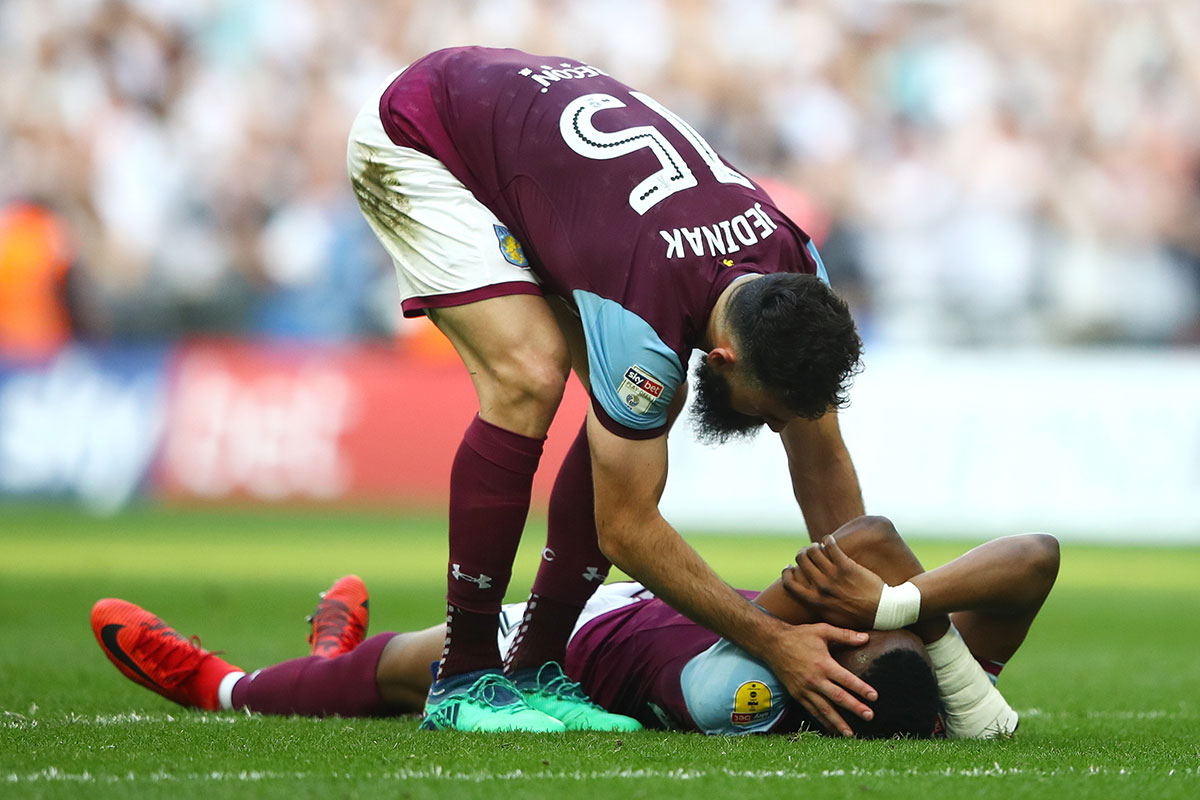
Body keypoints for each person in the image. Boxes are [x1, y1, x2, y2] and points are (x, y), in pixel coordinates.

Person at [346, 45, 869, 734]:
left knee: (634, 408)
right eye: (768, 414)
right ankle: (464, 677)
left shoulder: (796, 272)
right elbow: (625, 525)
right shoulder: (642, 318)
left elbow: (821, 452)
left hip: (529, 138)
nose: (775, 429)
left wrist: (867, 615)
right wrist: (774, 641)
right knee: (528, 376)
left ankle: (535, 667)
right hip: (424, 131)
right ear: (721, 356)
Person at [90, 516, 1059, 738]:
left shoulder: (765, 682)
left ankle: (214, 680)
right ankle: (325, 657)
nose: (838, 617)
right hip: (656, 616)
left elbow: (872, 535)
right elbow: (1036, 554)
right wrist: (905, 611)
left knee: (416, 670)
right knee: (396, 671)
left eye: (853, 636)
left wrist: (846, 606)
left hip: (582, 646)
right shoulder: (952, 681)